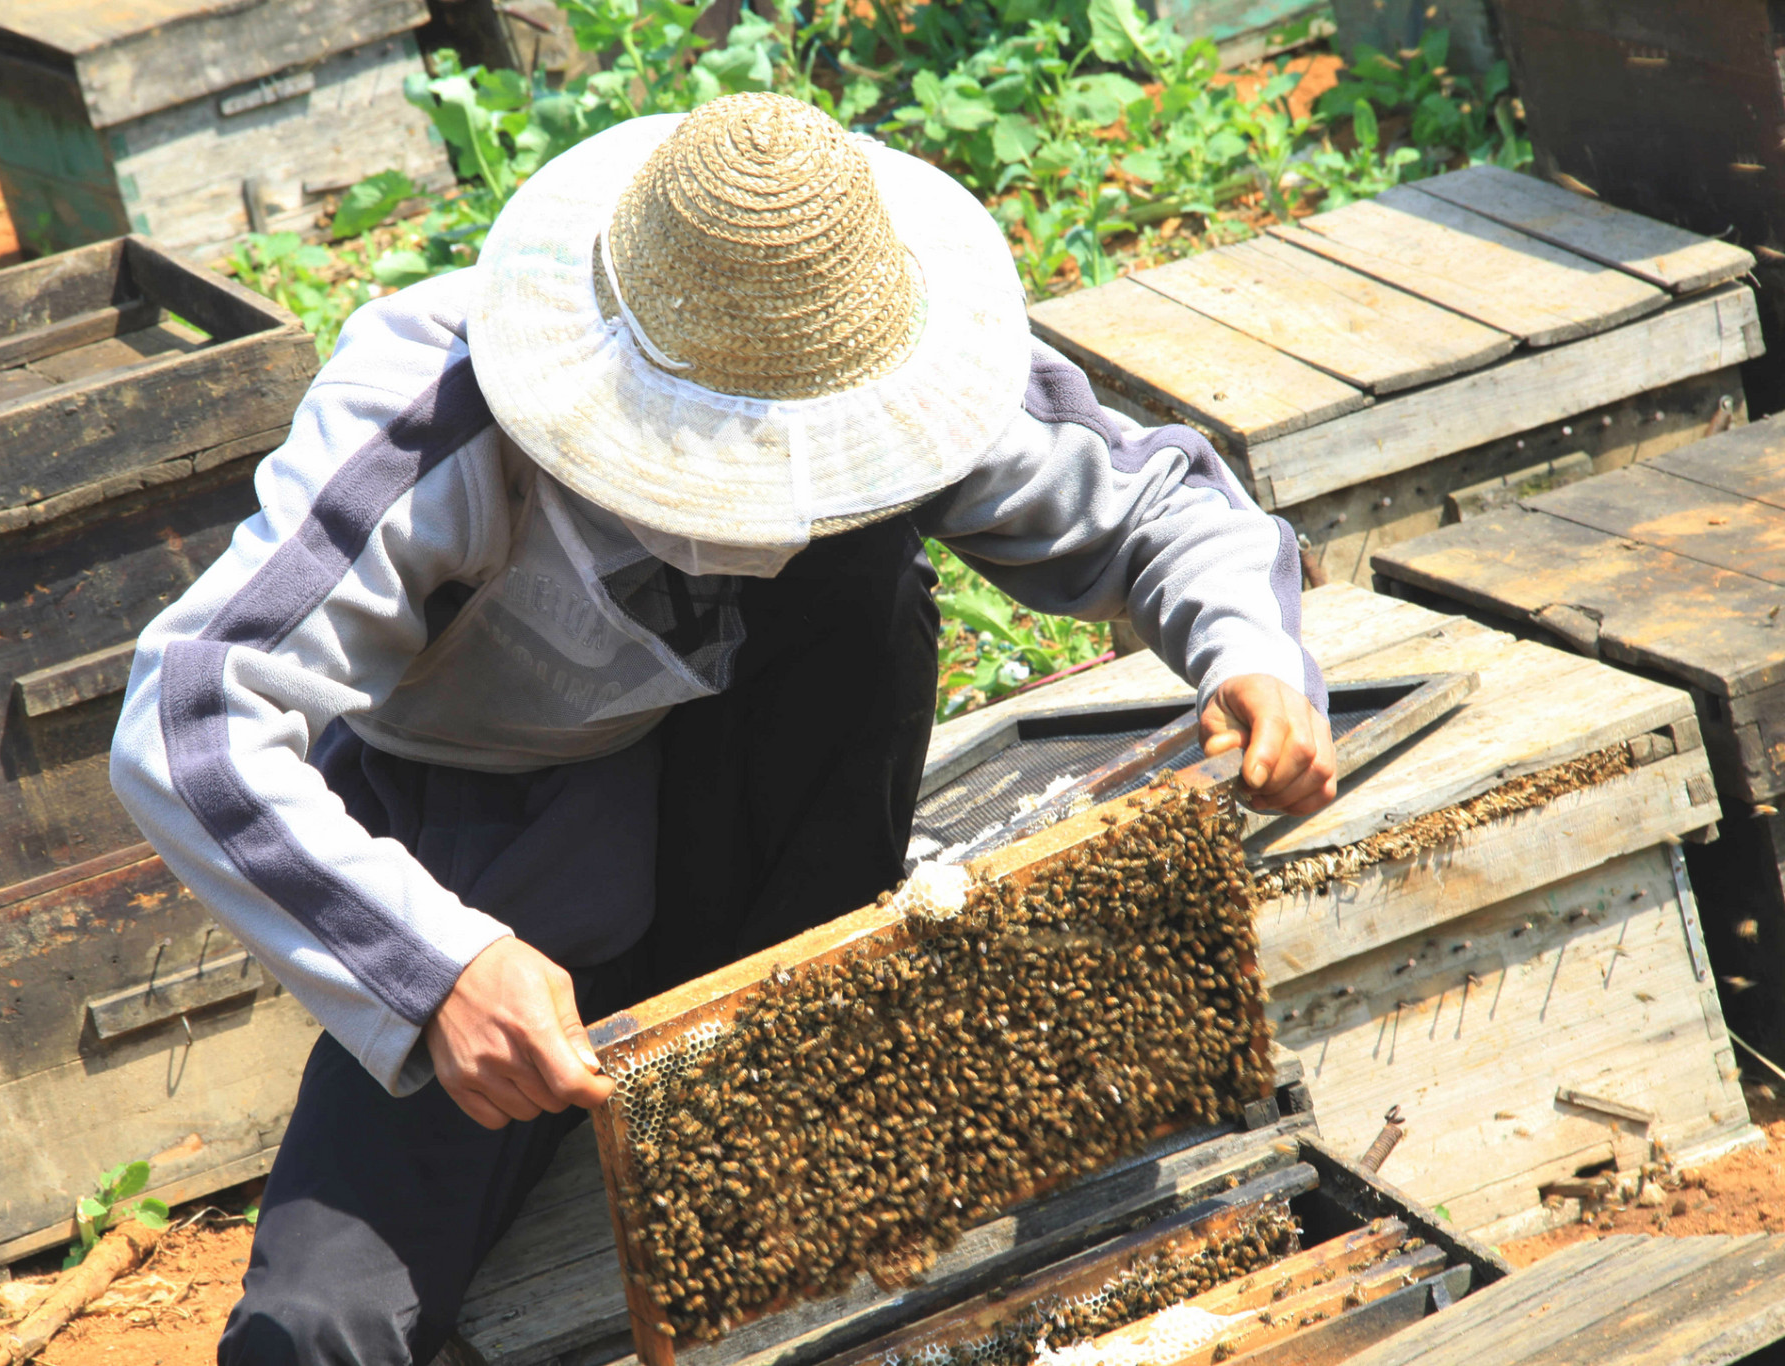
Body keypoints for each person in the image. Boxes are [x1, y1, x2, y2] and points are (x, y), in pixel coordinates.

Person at [109, 91, 1335, 1366]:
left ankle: (802, 1031)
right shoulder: (428, 419)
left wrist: (1247, 654)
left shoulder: (892, 357)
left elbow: (1154, 505)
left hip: (771, 812)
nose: (776, 502)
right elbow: (192, 709)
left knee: (864, 588)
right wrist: (438, 974)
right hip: (498, 860)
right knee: (323, 1323)